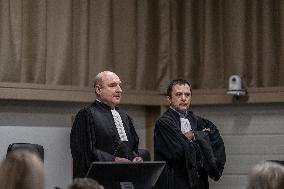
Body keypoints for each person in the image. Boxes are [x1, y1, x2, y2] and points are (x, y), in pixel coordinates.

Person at [154, 79, 226, 189]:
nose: (184, 98)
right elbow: (177, 151)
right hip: (175, 182)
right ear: (169, 99)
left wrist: (190, 137)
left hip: (199, 182)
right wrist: (197, 136)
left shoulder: (200, 122)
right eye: (178, 94)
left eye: (187, 94)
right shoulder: (164, 122)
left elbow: (216, 146)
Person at [70, 71, 143, 179]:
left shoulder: (125, 116)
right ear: (98, 90)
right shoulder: (86, 114)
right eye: (113, 85)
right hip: (100, 178)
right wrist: (113, 160)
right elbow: (83, 151)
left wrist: (135, 157)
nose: (119, 90)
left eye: (119, 85)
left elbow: (132, 146)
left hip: (125, 176)